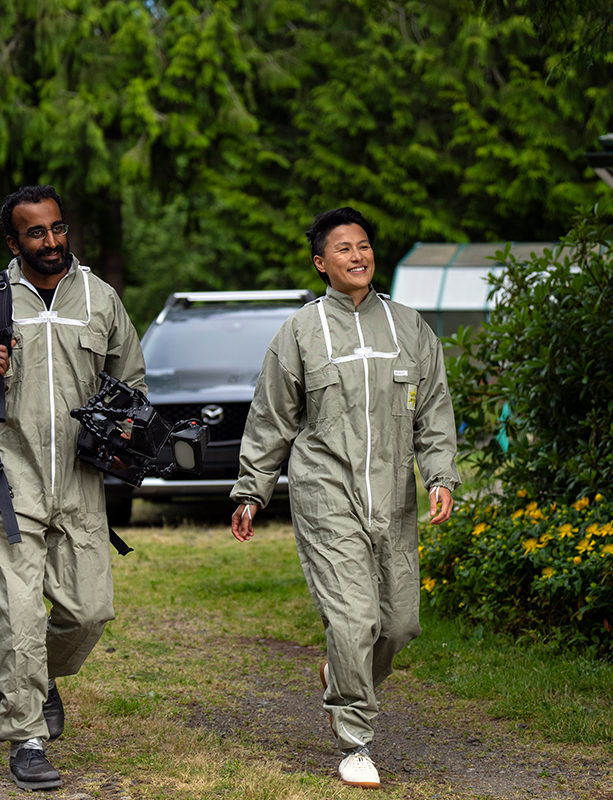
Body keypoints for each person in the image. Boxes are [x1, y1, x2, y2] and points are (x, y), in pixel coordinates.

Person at [0, 185, 146, 792]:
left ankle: (40, 681)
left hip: (79, 478)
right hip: (5, 474)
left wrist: (124, 423)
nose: (51, 242)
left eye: (57, 229)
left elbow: (131, 378)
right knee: (16, 609)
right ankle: (27, 737)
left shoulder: (100, 298)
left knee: (90, 611)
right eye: (36, 233)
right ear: (14, 241)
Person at [230, 207, 459, 789]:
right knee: (354, 618)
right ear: (320, 263)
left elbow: (433, 410)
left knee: (399, 624)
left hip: (395, 496)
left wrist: (440, 474)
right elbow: (272, 418)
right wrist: (252, 490)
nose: (358, 257)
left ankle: (345, 674)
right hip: (325, 493)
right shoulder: (301, 332)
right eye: (343, 249)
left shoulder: (410, 327)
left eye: (364, 246)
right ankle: (356, 737)